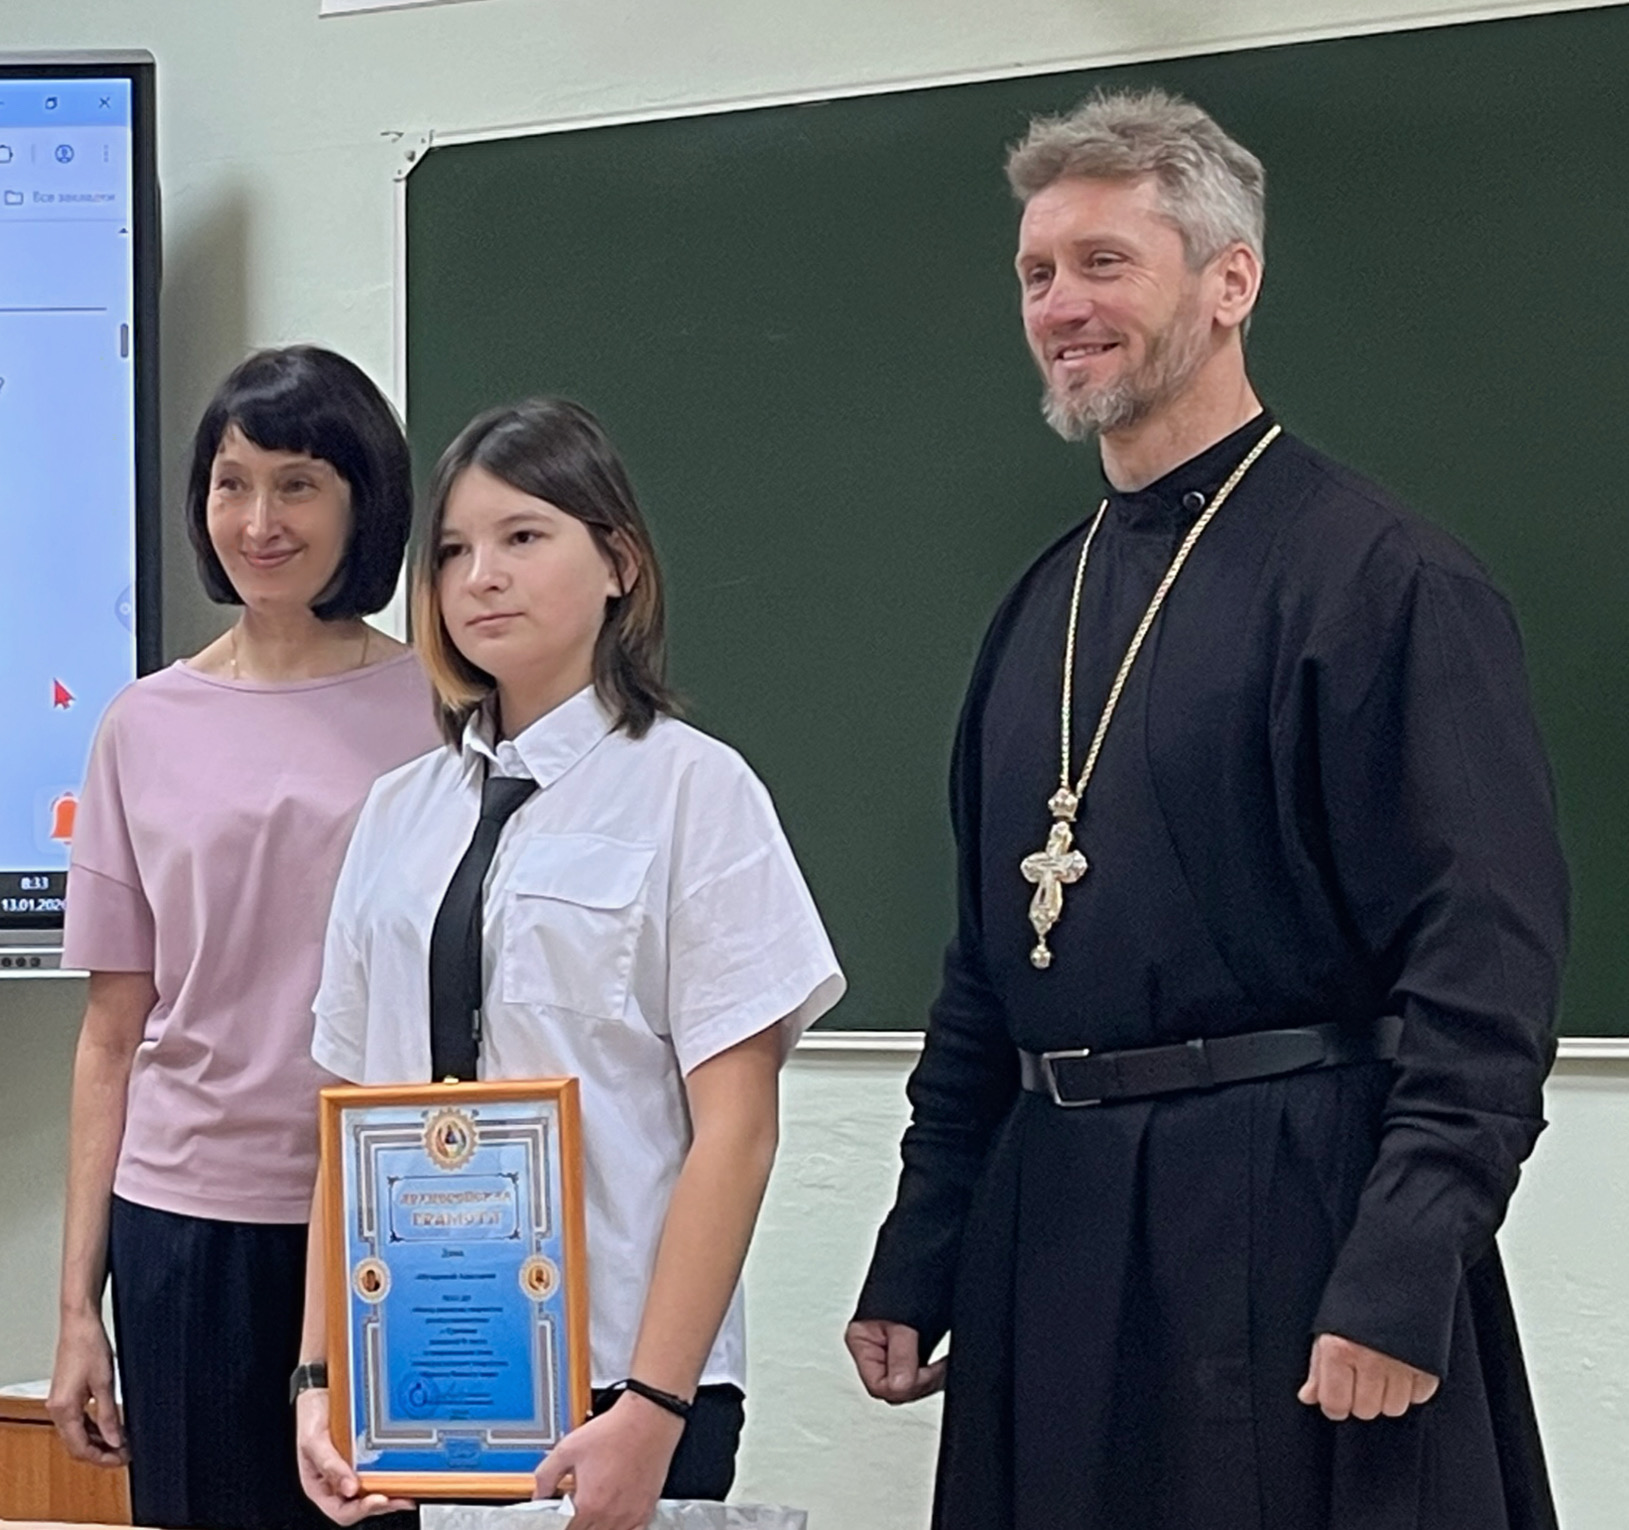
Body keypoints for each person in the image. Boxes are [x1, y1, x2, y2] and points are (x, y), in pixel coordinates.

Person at [845, 88, 1567, 1530]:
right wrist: (921, 1243)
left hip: (1296, 1221)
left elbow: (1485, 967)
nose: (1060, 305)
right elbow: (987, 970)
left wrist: (1403, 1264)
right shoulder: (1036, 608)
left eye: (1103, 262)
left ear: (1230, 281)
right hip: (1053, 1231)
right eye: (1036, 272)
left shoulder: (1384, 580)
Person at [294, 398, 844, 1530]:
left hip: (619, 1382)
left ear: (619, 565)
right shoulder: (396, 813)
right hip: (416, 1381)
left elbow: (737, 1129)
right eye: (454, 551)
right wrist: (319, 1378)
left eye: (523, 536)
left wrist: (655, 1404)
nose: (481, 576)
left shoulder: (696, 792)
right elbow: (349, 1117)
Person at [47, 345, 440, 1530]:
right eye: (233, 484)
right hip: (185, 1226)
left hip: (394, 1220)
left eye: (298, 484)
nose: (259, 522)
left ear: (364, 500)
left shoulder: (446, 710)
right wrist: (75, 1311)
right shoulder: (141, 724)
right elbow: (111, 1034)